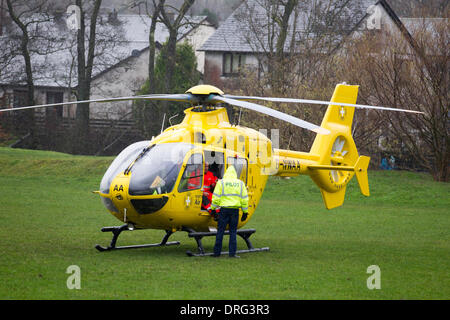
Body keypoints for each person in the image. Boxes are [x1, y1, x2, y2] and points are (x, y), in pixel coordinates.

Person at [210, 165, 249, 258]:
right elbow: (244, 199)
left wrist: (213, 209)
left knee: (220, 231)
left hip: (224, 210)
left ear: (226, 173)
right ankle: (232, 253)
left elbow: (216, 197)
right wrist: (245, 212)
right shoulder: (240, 183)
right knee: (233, 232)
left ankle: (216, 253)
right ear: (235, 174)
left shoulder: (221, 183)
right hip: (235, 211)